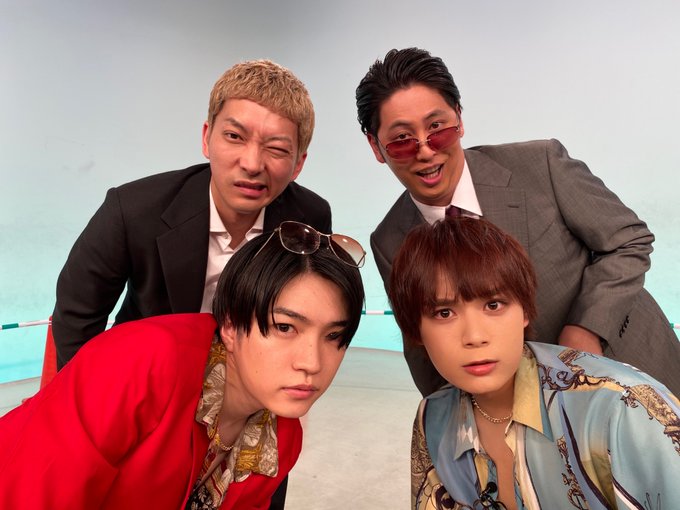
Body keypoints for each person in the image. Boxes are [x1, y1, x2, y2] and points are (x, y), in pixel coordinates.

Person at [355, 47, 680, 397]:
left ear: (459, 119)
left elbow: (628, 241)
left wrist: (585, 328)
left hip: (632, 371)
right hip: (521, 411)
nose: (425, 150)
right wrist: (446, 416)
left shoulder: (540, 164)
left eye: (437, 128)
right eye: (402, 140)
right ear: (376, 146)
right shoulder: (389, 241)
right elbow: (422, 350)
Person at [0, 221, 366, 509]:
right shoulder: (144, 361)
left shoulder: (279, 441)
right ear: (230, 325)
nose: (312, 363)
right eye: (284, 327)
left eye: (334, 335)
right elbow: (31, 493)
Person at [52, 59, 330, 369]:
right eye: (234, 136)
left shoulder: (309, 218)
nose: (252, 164)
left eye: (276, 148)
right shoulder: (132, 210)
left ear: (298, 164)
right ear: (206, 138)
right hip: (148, 371)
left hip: (254, 374)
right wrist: (96, 391)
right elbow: (77, 315)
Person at [388, 216, 680, 509]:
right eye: (444, 313)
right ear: (416, 330)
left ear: (525, 311)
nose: (474, 337)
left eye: (493, 305)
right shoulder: (433, 419)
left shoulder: (623, 408)